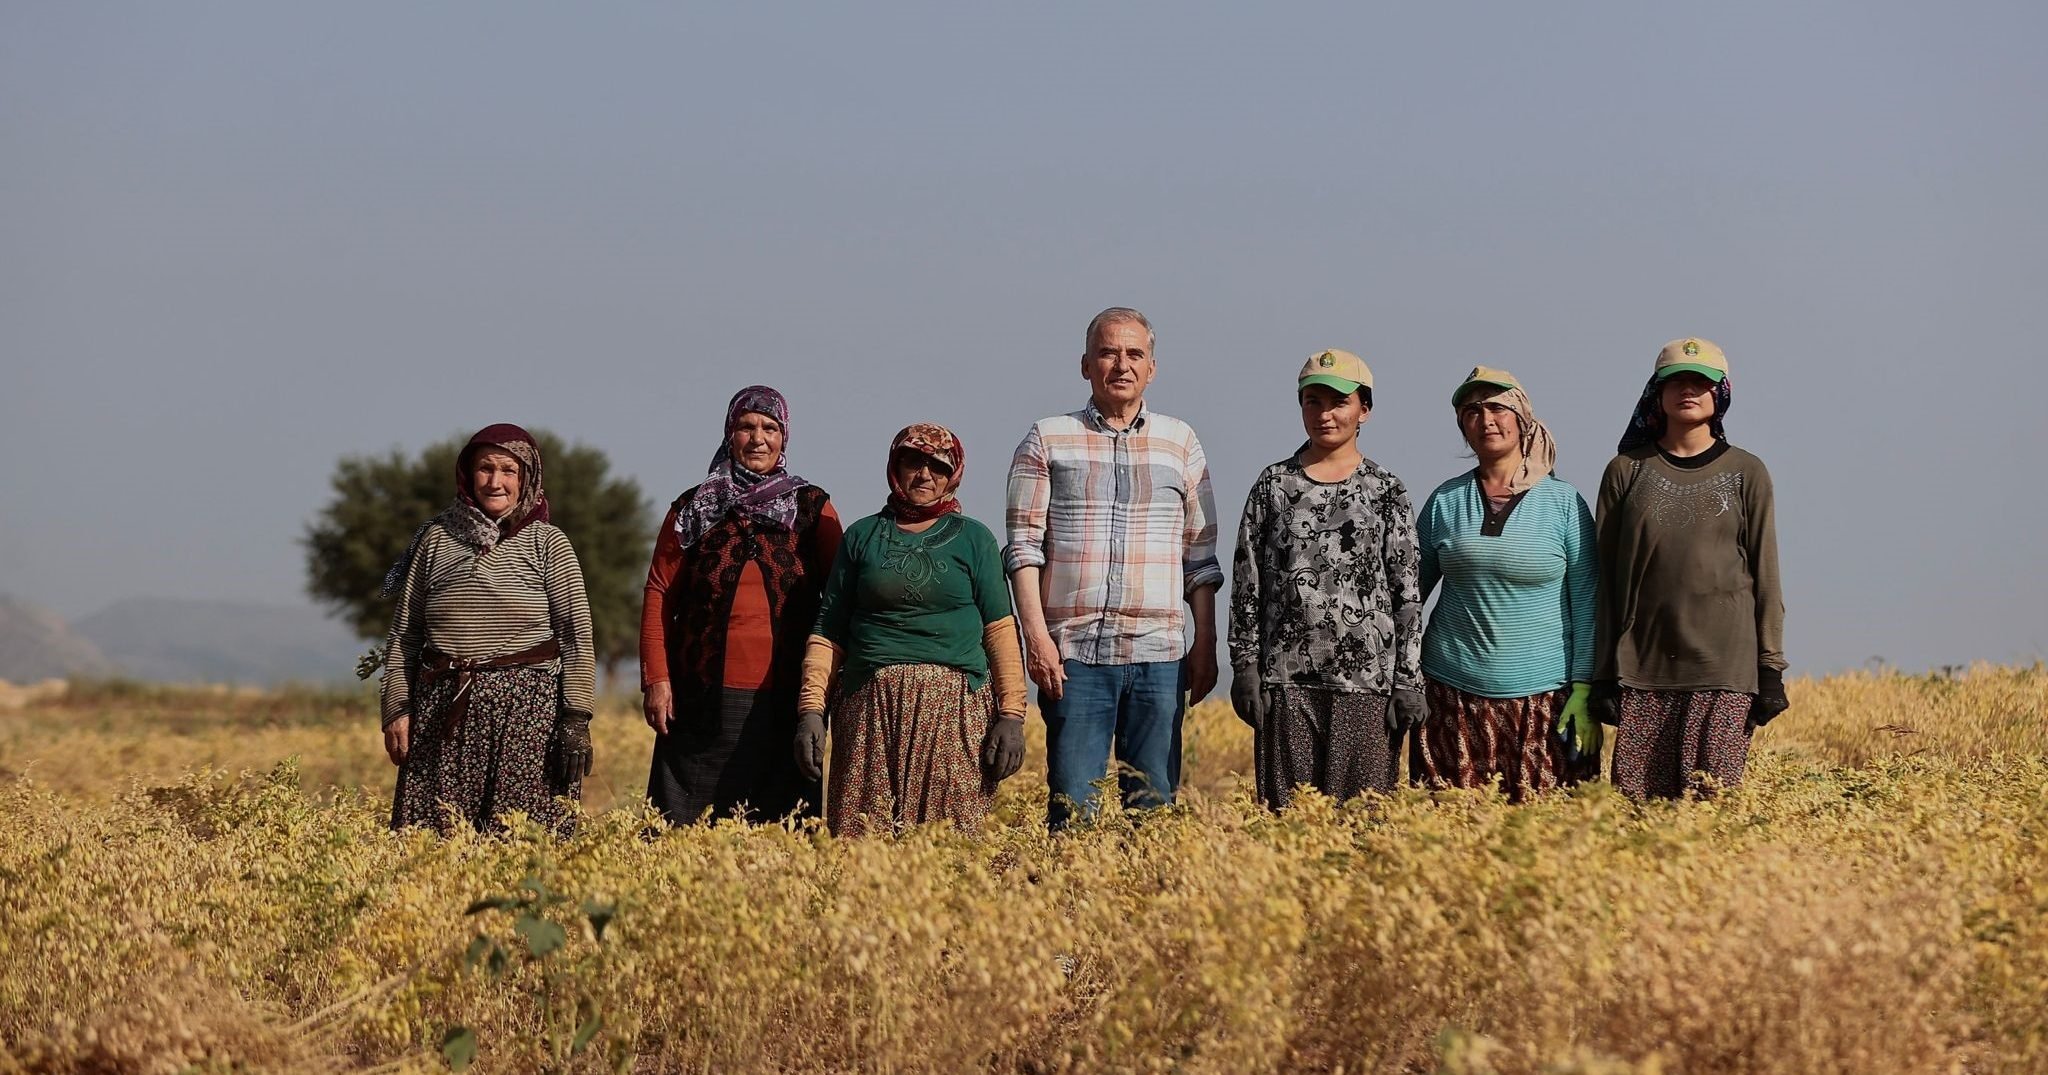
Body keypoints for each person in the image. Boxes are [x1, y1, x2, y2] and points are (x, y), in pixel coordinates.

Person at [1004, 306, 1224, 829]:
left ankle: (1146, 909)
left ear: (1152, 367)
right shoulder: (1047, 438)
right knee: (1072, 811)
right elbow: (1022, 548)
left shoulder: (1180, 442)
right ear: (1086, 365)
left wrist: (1206, 644)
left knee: (1152, 811)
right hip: (1074, 656)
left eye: (1134, 354)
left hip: (1160, 654)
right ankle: (1071, 907)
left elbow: (1200, 554)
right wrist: (1037, 640)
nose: (1121, 365)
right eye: (1108, 352)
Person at [793, 424, 1029, 836]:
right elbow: (829, 630)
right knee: (863, 841)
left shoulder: (974, 539)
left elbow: (1000, 629)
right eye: (913, 462)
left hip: (954, 713)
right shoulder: (862, 537)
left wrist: (1011, 716)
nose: (924, 475)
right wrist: (811, 711)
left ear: (952, 474)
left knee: (953, 845)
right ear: (894, 467)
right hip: (869, 710)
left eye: (938, 465)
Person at [1592, 339, 1788, 800]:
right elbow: (1603, 580)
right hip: (1642, 671)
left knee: (1713, 810)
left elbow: (1766, 571)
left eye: (1700, 382)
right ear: (1656, 393)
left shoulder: (1747, 471)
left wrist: (1770, 669)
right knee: (1639, 818)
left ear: (1720, 394)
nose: (1688, 390)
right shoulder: (1626, 471)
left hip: (1725, 670)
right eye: (1675, 380)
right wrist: (1601, 671)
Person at [1228, 350, 1425, 808]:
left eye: (1338, 402)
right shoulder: (1273, 485)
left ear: (1364, 410)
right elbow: (1247, 581)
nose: (1324, 414)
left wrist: (1408, 680)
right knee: (1290, 826)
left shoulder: (1386, 490)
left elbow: (1407, 593)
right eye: (1312, 401)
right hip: (1287, 683)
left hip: (1367, 686)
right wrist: (1244, 667)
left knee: (1363, 827)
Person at [379, 423, 596, 834]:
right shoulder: (436, 540)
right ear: (467, 474)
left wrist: (576, 719)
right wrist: (397, 709)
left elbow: (575, 637)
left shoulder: (548, 543)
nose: (495, 482)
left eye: (508, 471)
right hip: (441, 711)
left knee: (521, 843)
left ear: (526, 478)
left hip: (527, 714)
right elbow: (405, 634)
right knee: (433, 844)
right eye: (485, 469)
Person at [640, 386, 844, 823]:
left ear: (784, 438)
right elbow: (659, 591)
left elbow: (841, 600)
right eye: (746, 426)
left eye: (770, 428)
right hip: (700, 700)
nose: (758, 438)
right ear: (728, 435)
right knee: (684, 832)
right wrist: (656, 679)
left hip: (787, 699)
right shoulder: (693, 508)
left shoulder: (813, 509)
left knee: (782, 827)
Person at [1411, 367, 1600, 802]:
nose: (1486, 420)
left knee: (1544, 836)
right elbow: (1408, 595)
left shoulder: (1564, 504)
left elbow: (1587, 600)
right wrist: (1403, 678)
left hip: (1545, 699)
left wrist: (1586, 688)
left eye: (1498, 408)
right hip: (1450, 694)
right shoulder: (1445, 501)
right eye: (1472, 411)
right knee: (1453, 835)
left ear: (1521, 420)